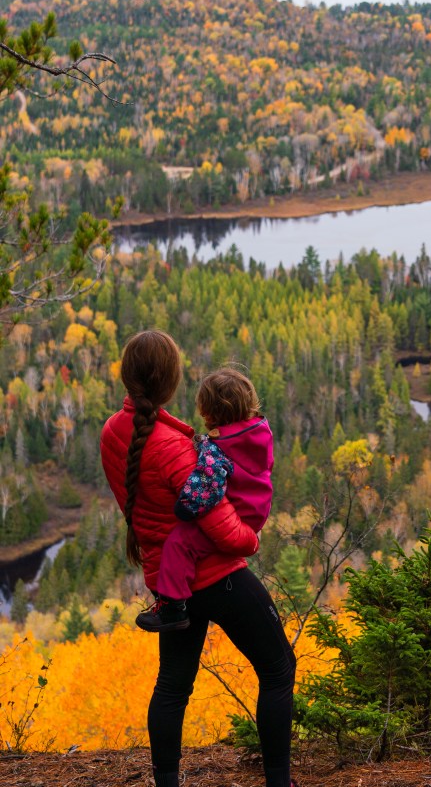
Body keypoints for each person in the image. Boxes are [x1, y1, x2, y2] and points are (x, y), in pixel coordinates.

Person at [100, 330, 296, 787]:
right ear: (171, 381)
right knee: (278, 667)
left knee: (172, 687)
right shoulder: (173, 446)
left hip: (169, 582)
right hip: (216, 576)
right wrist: (251, 539)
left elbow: (142, 506)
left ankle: (167, 781)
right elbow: (220, 526)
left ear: (130, 378)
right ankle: (279, 782)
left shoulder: (114, 432)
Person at [136, 367, 274, 632]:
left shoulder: (218, 449)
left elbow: (206, 485)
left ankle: (173, 608)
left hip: (239, 513)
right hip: (257, 511)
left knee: (178, 543)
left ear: (209, 412)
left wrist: (186, 507)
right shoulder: (260, 431)